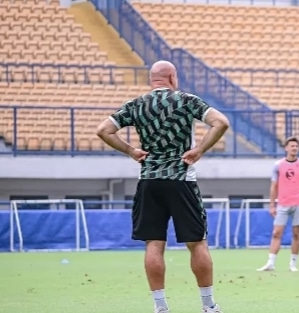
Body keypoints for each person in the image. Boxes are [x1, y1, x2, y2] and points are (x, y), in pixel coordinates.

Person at [96, 60, 230, 313]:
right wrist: (199, 149)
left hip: (149, 181)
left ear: (152, 79)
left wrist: (131, 150)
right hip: (181, 180)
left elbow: (103, 130)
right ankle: (208, 305)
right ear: (172, 77)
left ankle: (160, 307)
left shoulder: (136, 105)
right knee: (197, 243)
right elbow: (221, 122)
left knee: (154, 244)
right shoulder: (187, 100)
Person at [257, 137, 299, 272]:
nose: (294, 148)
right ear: (286, 148)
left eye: (296, 146)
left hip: (298, 203)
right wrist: (272, 205)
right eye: (292, 146)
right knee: (276, 232)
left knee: (296, 233)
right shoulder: (278, 165)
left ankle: (293, 263)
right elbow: (273, 186)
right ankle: (271, 263)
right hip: (283, 203)